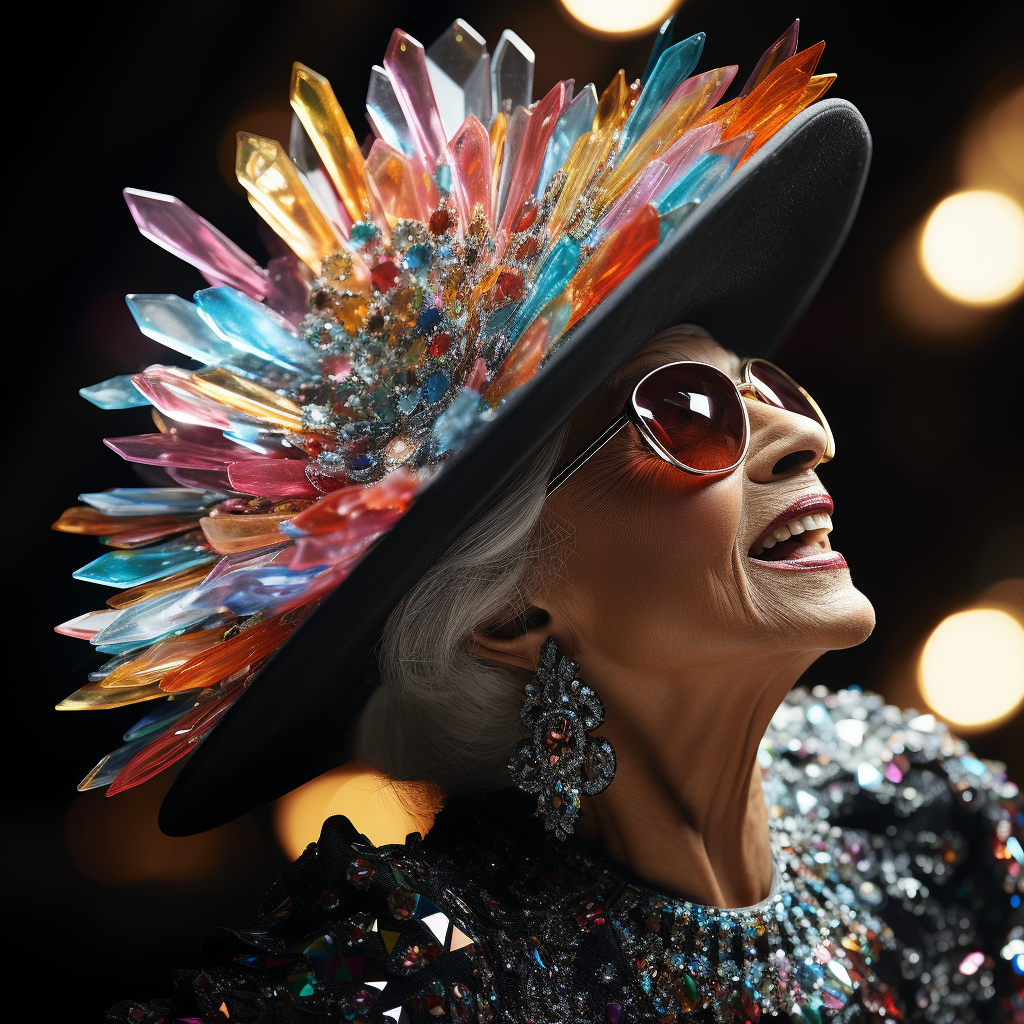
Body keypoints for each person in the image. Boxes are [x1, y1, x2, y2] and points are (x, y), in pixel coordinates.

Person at [54, 16, 1021, 1024]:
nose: (801, 435)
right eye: (691, 413)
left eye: (765, 382)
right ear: (512, 618)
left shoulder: (914, 808)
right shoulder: (432, 967)